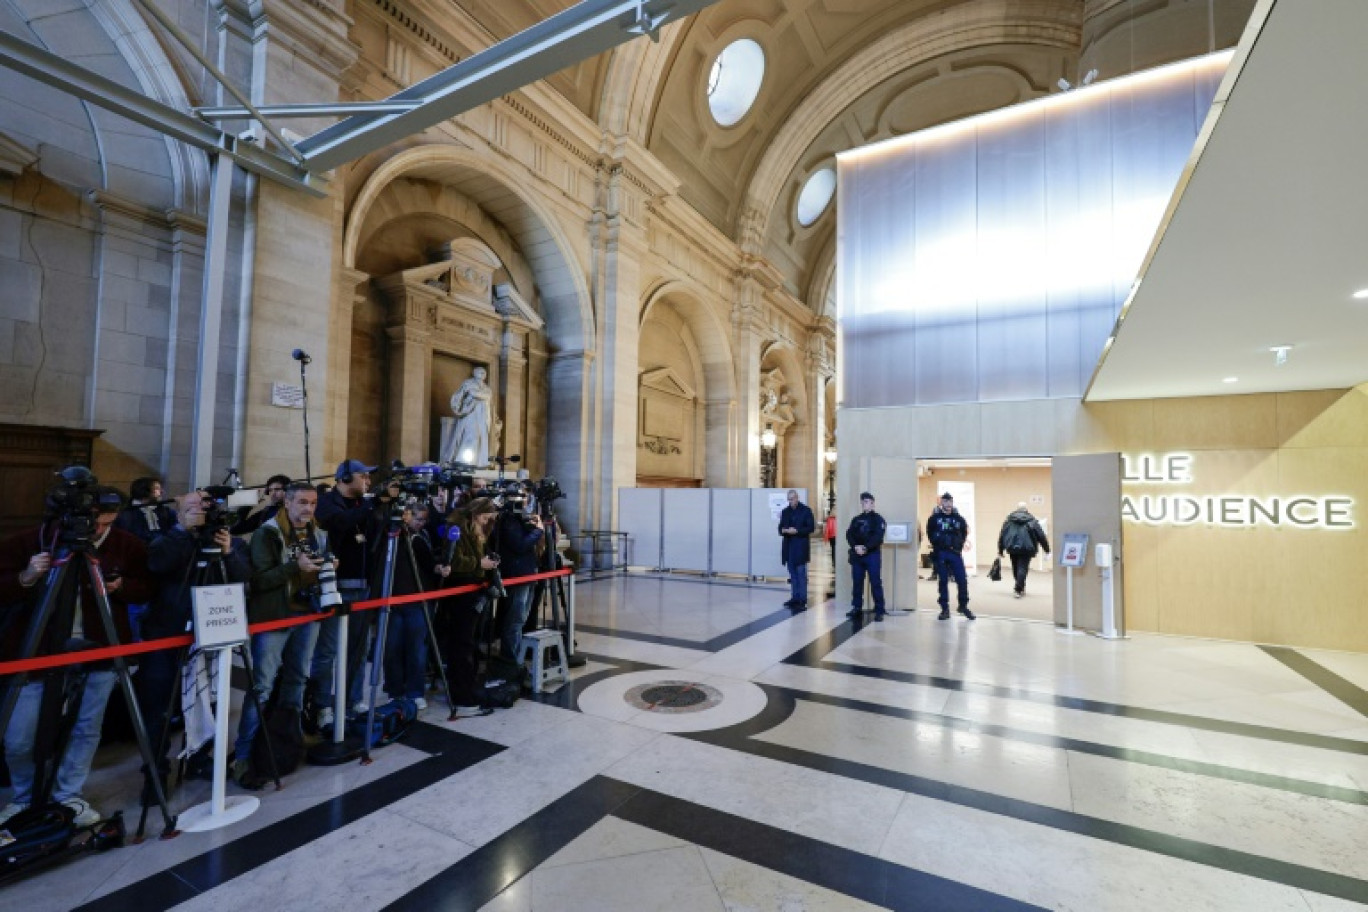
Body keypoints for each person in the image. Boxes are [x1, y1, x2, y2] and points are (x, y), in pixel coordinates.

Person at [0, 484, 152, 827]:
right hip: (37, 652)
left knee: (86, 728)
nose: (96, 530)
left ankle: (68, 793)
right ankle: (24, 796)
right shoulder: (34, 540)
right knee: (19, 733)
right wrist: (27, 576)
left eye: (106, 524)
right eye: (94, 521)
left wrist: (120, 587)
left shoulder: (126, 544)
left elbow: (147, 586)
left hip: (99, 648)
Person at [138, 491, 250, 793]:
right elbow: (158, 565)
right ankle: (155, 771)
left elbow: (242, 578)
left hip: (211, 631)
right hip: (168, 631)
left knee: (207, 699)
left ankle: (200, 757)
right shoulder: (167, 540)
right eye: (192, 508)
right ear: (178, 514)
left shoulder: (227, 540)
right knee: (159, 706)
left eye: (205, 507)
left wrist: (226, 552)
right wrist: (184, 532)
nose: (201, 512)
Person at [232, 482, 328, 785]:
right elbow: (259, 581)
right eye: (301, 502)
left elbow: (315, 569)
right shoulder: (267, 533)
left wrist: (327, 567)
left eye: (312, 503)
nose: (308, 509)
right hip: (275, 617)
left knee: (298, 678)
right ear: (286, 503)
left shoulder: (317, 533)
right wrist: (293, 567)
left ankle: (289, 739)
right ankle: (244, 755)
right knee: (262, 684)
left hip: (307, 614)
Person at [309, 459, 398, 729]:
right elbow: (340, 524)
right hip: (335, 586)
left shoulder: (364, 505)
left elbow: (374, 535)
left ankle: (352, 700)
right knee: (327, 650)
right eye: (364, 477)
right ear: (345, 478)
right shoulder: (327, 502)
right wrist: (373, 503)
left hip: (362, 584)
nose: (368, 482)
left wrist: (383, 507)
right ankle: (322, 705)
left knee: (358, 649)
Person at [383, 504, 449, 710]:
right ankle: (395, 691)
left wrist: (439, 567)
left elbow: (429, 563)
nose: (419, 523)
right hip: (393, 600)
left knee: (417, 649)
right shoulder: (392, 535)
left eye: (423, 519)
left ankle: (415, 691)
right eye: (416, 518)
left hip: (418, 599)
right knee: (392, 648)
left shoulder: (421, 538)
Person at [442, 497, 500, 719]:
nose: (486, 523)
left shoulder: (477, 530)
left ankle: (469, 687)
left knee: (470, 642)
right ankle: (462, 696)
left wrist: (487, 560)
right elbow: (453, 561)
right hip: (460, 590)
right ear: (476, 513)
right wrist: (479, 563)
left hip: (473, 589)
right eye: (485, 518)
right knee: (461, 643)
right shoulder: (456, 528)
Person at [492, 495, 545, 662]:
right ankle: (511, 659)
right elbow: (520, 545)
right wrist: (538, 531)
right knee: (514, 620)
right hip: (517, 574)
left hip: (528, 572)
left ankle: (516, 657)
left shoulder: (519, 518)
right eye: (521, 499)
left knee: (521, 619)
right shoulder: (507, 520)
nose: (524, 503)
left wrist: (533, 525)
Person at [926, 492, 975, 621]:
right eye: (945, 501)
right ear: (941, 503)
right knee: (943, 581)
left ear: (952, 503)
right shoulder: (934, 518)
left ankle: (963, 606)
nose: (947, 504)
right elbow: (930, 533)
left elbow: (964, 532)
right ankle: (944, 609)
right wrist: (938, 543)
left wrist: (958, 545)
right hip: (941, 553)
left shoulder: (959, 518)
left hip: (955, 553)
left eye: (950, 502)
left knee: (962, 580)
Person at [845, 492, 886, 621]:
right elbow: (849, 534)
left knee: (875, 582)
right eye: (862, 502)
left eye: (867, 501)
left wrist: (866, 548)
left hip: (871, 555)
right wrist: (855, 547)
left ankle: (879, 609)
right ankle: (857, 607)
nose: (864, 504)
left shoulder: (878, 519)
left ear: (873, 503)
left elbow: (878, 537)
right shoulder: (856, 519)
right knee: (857, 582)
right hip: (857, 555)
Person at [997, 502, 1051, 598]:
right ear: (1026, 510)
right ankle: (1018, 589)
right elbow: (1041, 536)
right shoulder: (1032, 521)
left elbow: (1002, 535)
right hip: (1027, 548)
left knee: (1015, 567)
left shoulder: (1009, 521)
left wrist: (1000, 550)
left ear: (1017, 509)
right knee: (1022, 568)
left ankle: (1020, 587)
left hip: (1012, 547)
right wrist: (1047, 550)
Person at [445, 366, 494, 467]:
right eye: (480, 372)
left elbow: (487, 396)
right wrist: (461, 407)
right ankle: (464, 461)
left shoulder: (487, 388)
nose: (483, 374)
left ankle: (478, 462)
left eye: (484, 372)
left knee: (481, 437)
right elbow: (459, 396)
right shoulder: (468, 383)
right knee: (471, 436)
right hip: (471, 413)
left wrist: (475, 393)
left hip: (483, 415)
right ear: (474, 373)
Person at [778, 489, 815, 609]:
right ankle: (795, 597)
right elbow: (780, 527)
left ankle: (802, 599)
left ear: (797, 498)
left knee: (801, 574)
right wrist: (783, 530)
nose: (791, 502)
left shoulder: (806, 511)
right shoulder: (785, 511)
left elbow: (811, 528)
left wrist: (797, 531)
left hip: (800, 547)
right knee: (792, 574)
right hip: (789, 547)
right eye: (789, 500)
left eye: (792, 499)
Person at [113, 476, 175, 543]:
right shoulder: (126, 514)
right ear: (144, 491)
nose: (161, 492)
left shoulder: (166, 511)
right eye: (157, 489)